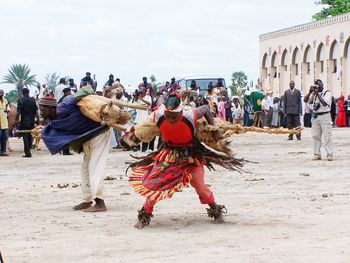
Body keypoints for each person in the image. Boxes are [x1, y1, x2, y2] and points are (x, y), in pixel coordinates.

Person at [129, 94, 240, 229]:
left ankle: (215, 210)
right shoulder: (157, 114)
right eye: (167, 115)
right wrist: (134, 138)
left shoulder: (190, 115)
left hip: (191, 154)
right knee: (157, 184)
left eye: (173, 116)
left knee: (200, 186)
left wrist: (215, 130)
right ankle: (145, 215)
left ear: (181, 112)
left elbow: (205, 108)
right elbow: (143, 129)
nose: (170, 119)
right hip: (168, 155)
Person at [39, 87, 111, 212]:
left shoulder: (67, 104)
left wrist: (96, 102)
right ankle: (87, 199)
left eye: (42, 109)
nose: (40, 112)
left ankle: (100, 202)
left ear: (51, 108)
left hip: (100, 133)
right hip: (88, 137)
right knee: (85, 169)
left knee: (95, 166)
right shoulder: (52, 120)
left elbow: (86, 89)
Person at [304, 79, 333, 161]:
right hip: (316, 116)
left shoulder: (327, 93)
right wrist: (310, 92)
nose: (317, 87)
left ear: (322, 85)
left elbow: (324, 103)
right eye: (315, 85)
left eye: (318, 85)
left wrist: (317, 93)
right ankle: (317, 154)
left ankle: (329, 154)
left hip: (325, 116)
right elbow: (305, 100)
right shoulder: (313, 94)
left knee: (327, 136)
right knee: (315, 136)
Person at [15, 88, 39, 158]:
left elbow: (18, 112)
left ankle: (27, 153)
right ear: (28, 93)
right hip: (32, 121)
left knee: (25, 136)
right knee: (30, 135)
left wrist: (15, 120)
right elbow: (36, 112)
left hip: (24, 121)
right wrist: (38, 121)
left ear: (22, 93)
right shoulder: (32, 100)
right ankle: (29, 150)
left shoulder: (21, 101)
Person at [134, 87, 152, 152]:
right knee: (136, 134)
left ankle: (144, 148)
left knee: (145, 134)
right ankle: (137, 147)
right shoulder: (137, 97)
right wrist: (136, 96)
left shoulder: (148, 97)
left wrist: (141, 99)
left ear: (145, 91)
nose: (140, 91)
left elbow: (149, 104)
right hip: (138, 118)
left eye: (142, 89)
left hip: (145, 118)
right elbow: (134, 101)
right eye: (140, 89)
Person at [0, 89, 10, 156]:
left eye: (2, 92)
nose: (1, 93)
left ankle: (3, 151)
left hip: (4, 120)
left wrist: (8, 115)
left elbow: (8, 109)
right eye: (0, 92)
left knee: (5, 136)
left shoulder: (5, 100)